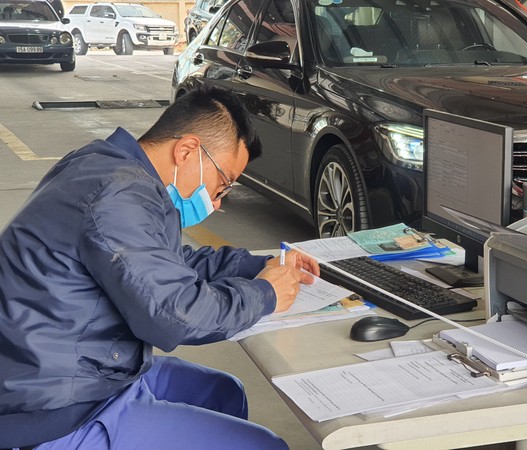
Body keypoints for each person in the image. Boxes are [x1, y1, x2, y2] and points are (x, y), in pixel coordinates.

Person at [0, 86, 319, 449]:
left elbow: (167, 262)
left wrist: (259, 265)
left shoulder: (115, 168)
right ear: (186, 151)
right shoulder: (117, 195)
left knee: (224, 392)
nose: (217, 202)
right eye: (222, 184)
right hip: (59, 404)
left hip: (80, 365)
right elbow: (176, 314)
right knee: (266, 446)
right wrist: (265, 293)